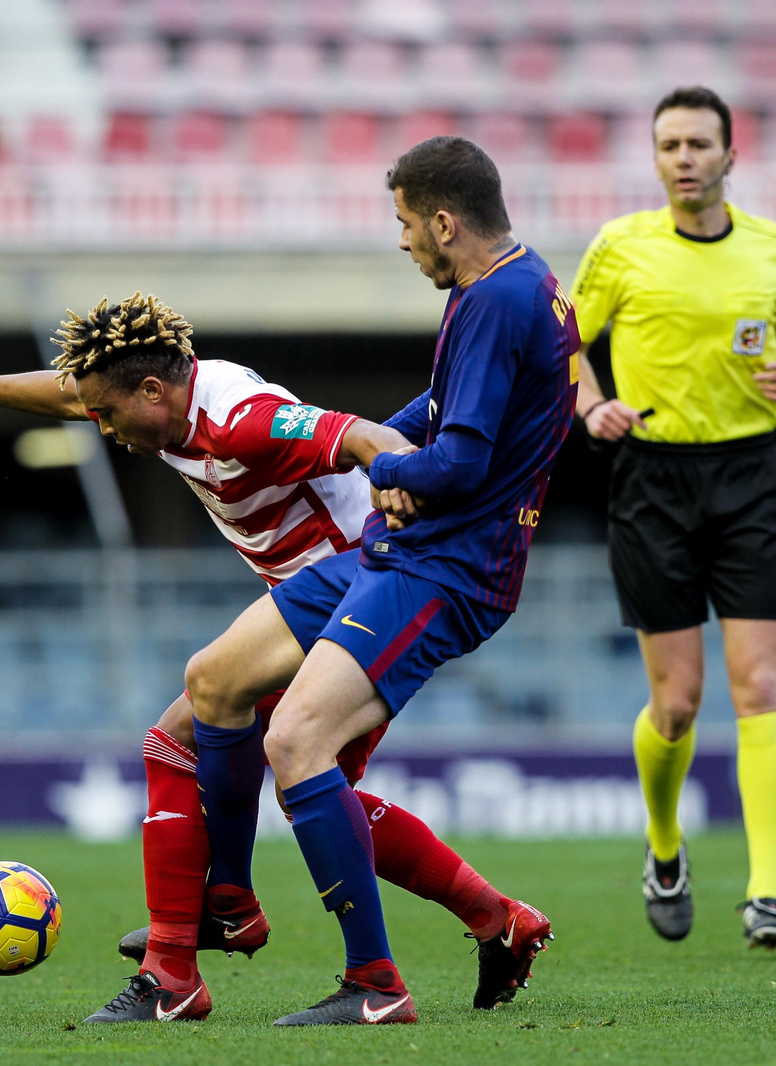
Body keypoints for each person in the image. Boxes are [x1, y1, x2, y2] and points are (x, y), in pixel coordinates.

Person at [0, 292, 543, 1023]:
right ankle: (486, 919)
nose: (101, 426)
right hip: (317, 592)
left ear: (152, 391)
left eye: (108, 414)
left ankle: (246, 935)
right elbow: (70, 393)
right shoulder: (154, 403)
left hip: (362, 580)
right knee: (237, 761)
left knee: (215, 697)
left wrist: (398, 485)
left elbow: (366, 436)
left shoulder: (241, 419)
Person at [186, 135, 577, 1025]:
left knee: (297, 745)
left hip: (447, 568)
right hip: (399, 552)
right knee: (217, 680)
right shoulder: (516, 282)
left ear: (443, 221)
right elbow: (437, 417)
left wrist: (394, 471)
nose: (400, 240)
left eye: (404, 223)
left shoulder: (496, 300)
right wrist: (369, 446)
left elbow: (461, 463)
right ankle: (233, 902)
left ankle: (375, 985)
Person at [568, 86, 776, 950]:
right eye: (669, 144)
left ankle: (767, 893)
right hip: (653, 476)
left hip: (751, 472)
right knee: (676, 704)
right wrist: (591, 404)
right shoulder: (621, 247)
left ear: (729, 156)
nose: (684, 157)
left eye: (699, 144)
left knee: (761, 687)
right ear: (655, 157)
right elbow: (566, 342)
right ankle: (666, 845)